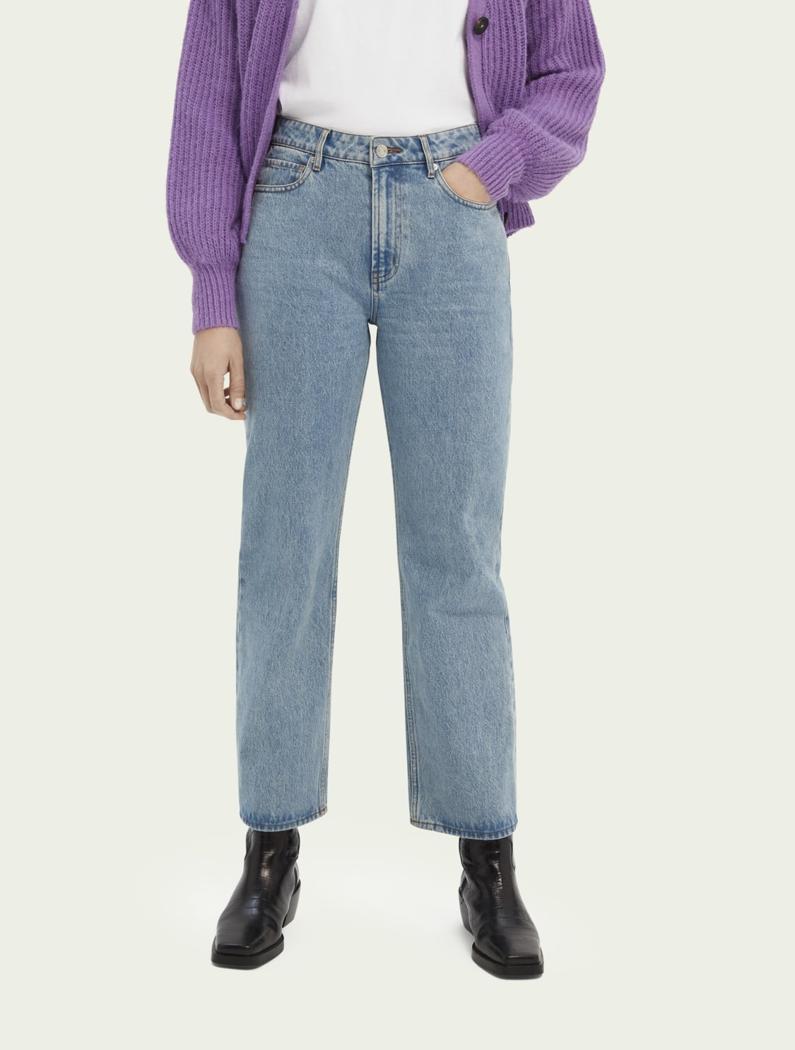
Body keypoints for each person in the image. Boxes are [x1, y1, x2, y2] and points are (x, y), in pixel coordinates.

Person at [167, 0, 604, 979]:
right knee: (285, 545)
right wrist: (210, 292)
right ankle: (269, 848)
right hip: (294, 203)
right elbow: (208, 91)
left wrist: (490, 165)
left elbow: (571, 71)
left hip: (455, 209)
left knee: (458, 548)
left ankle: (486, 855)